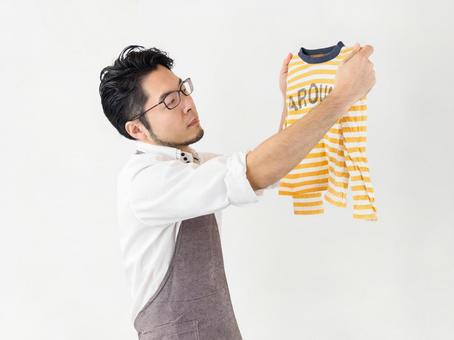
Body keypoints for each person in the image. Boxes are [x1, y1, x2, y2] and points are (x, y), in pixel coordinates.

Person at [98, 43, 375, 339]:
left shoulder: (191, 165)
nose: (188, 104)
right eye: (169, 102)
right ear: (137, 130)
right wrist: (342, 97)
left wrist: (291, 100)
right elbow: (255, 171)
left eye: (183, 90)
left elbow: (268, 169)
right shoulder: (145, 181)